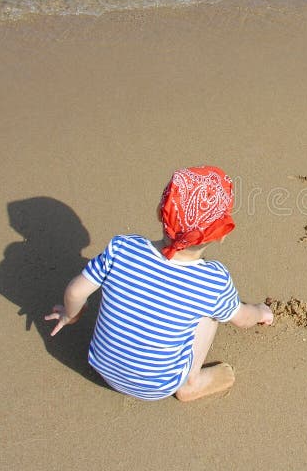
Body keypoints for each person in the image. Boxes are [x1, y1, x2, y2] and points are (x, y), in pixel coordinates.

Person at [46, 165, 273, 402]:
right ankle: (191, 383)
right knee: (212, 313)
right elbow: (242, 318)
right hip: (158, 386)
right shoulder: (213, 281)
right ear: (222, 233)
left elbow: (74, 291)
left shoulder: (122, 249)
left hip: (101, 365)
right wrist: (260, 312)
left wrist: (70, 316)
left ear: (159, 211)